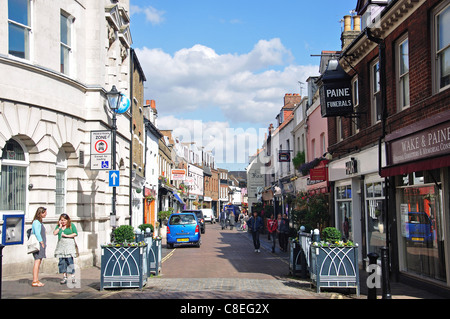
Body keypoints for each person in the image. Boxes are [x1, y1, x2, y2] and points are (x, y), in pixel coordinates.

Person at [53, 213, 78, 284]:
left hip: (69, 246)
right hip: (61, 246)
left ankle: (72, 276)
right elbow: (54, 233)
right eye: (61, 220)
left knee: (69, 261)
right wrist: (60, 227)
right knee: (62, 261)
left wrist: (67, 235)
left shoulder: (71, 225)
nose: (63, 222)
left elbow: (75, 233)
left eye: (64, 220)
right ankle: (64, 276)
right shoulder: (58, 226)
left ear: (67, 220)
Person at [31, 207, 47, 287]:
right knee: (37, 261)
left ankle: (36, 280)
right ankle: (34, 280)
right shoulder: (36, 222)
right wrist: (41, 242)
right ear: (40, 213)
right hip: (38, 244)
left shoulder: (39, 222)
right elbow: (37, 233)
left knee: (39, 261)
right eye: (44, 213)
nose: (45, 214)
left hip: (40, 244)